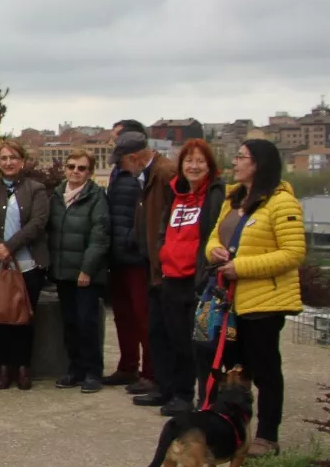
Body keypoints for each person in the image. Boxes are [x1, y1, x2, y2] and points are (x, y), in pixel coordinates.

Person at [204, 140, 304, 457]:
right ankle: (235, 431)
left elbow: (293, 253)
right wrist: (214, 252)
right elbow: (214, 237)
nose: (235, 161)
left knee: (264, 370)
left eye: (241, 157)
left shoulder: (282, 203)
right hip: (230, 300)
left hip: (265, 301)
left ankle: (267, 435)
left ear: (258, 163)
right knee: (235, 369)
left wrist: (241, 267)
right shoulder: (233, 198)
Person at [146, 139, 225, 416]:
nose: (193, 166)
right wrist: (161, 253)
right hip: (171, 277)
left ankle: (197, 398)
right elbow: (163, 231)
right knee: (173, 339)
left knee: (197, 344)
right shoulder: (176, 193)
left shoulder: (216, 195)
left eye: (199, 161)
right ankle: (175, 392)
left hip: (197, 281)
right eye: (188, 161)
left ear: (209, 165)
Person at [104, 127, 175, 393]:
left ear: (133, 156)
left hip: (140, 256)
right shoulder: (126, 174)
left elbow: (159, 215)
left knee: (144, 316)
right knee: (124, 315)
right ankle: (128, 366)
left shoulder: (161, 173)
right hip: (120, 255)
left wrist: (133, 240)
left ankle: (151, 372)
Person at [0, 140, 51, 390]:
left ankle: (23, 367)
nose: (8, 163)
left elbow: (38, 222)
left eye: (13, 158)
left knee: (24, 317)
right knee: (0, 317)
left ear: (22, 162)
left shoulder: (36, 189)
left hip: (28, 263)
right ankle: (3, 367)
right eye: (4, 158)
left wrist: (11, 246)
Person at [47, 148, 111, 392]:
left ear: (90, 173)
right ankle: (75, 370)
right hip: (62, 271)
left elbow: (100, 237)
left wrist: (87, 270)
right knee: (70, 323)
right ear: (65, 168)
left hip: (86, 274)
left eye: (81, 168)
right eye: (72, 166)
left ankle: (93, 372)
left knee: (87, 323)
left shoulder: (96, 197)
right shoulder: (56, 195)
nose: (75, 171)